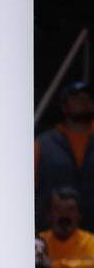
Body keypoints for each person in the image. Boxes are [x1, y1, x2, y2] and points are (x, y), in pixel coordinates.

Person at [37, 81, 94, 230]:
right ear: (64, 107)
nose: (83, 102)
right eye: (76, 98)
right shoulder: (42, 145)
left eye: (87, 98)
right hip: (53, 238)